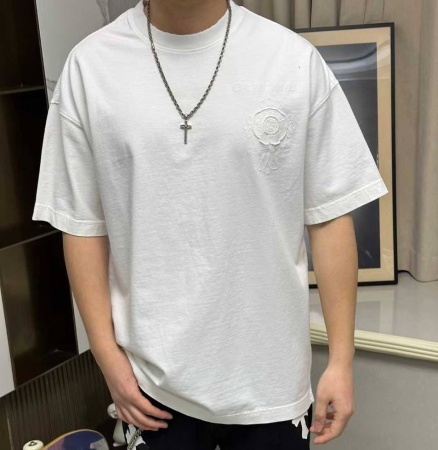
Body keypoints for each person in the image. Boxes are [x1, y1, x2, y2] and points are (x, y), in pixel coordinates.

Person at [32, 0, 388, 448]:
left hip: (272, 383)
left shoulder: (292, 60)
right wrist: (106, 357)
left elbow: (331, 216)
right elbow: (82, 223)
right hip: (151, 386)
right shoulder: (90, 67)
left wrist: (340, 361)